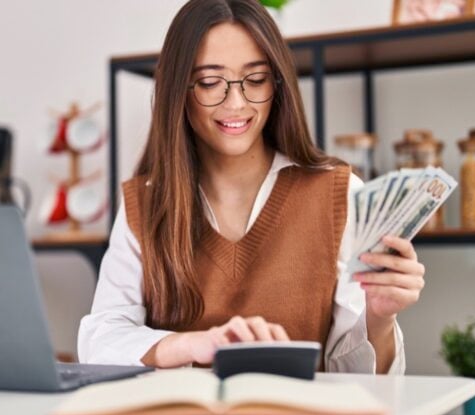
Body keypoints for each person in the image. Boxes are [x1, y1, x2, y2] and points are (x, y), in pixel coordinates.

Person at [78, 0, 425, 374]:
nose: (237, 102)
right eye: (211, 83)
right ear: (178, 90)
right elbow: (101, 340)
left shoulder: (340, 195)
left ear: (277, 85)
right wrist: (193, 344)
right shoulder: (145, 204)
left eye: (256, 79)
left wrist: (379, 317)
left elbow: (360, 380)